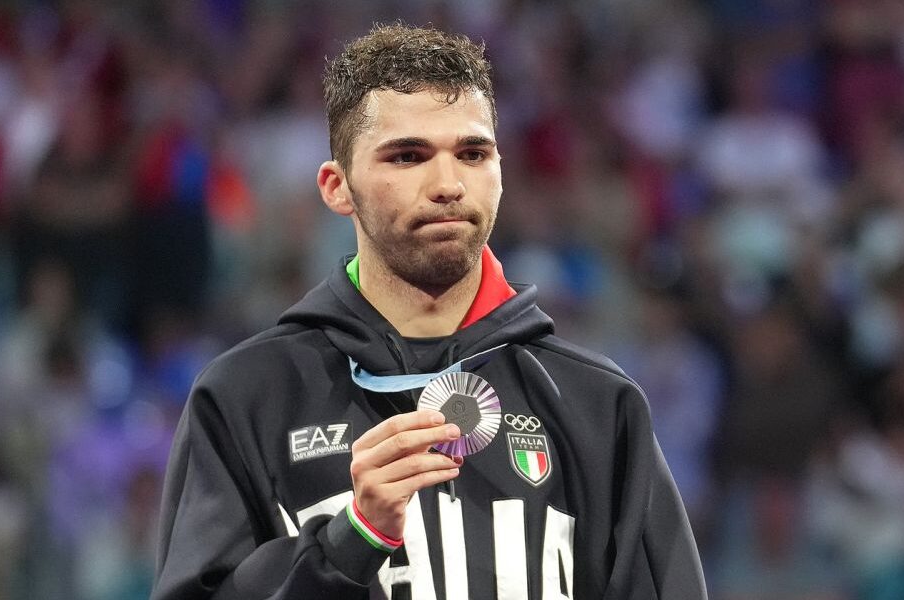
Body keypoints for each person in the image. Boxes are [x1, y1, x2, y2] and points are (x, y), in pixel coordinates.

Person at [153, 23, 706, 599]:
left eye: (472, 154)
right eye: (408, 156)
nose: (447, 184)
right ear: (338, 187)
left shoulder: (596, 405)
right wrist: (351, 541)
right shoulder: (247, 397)